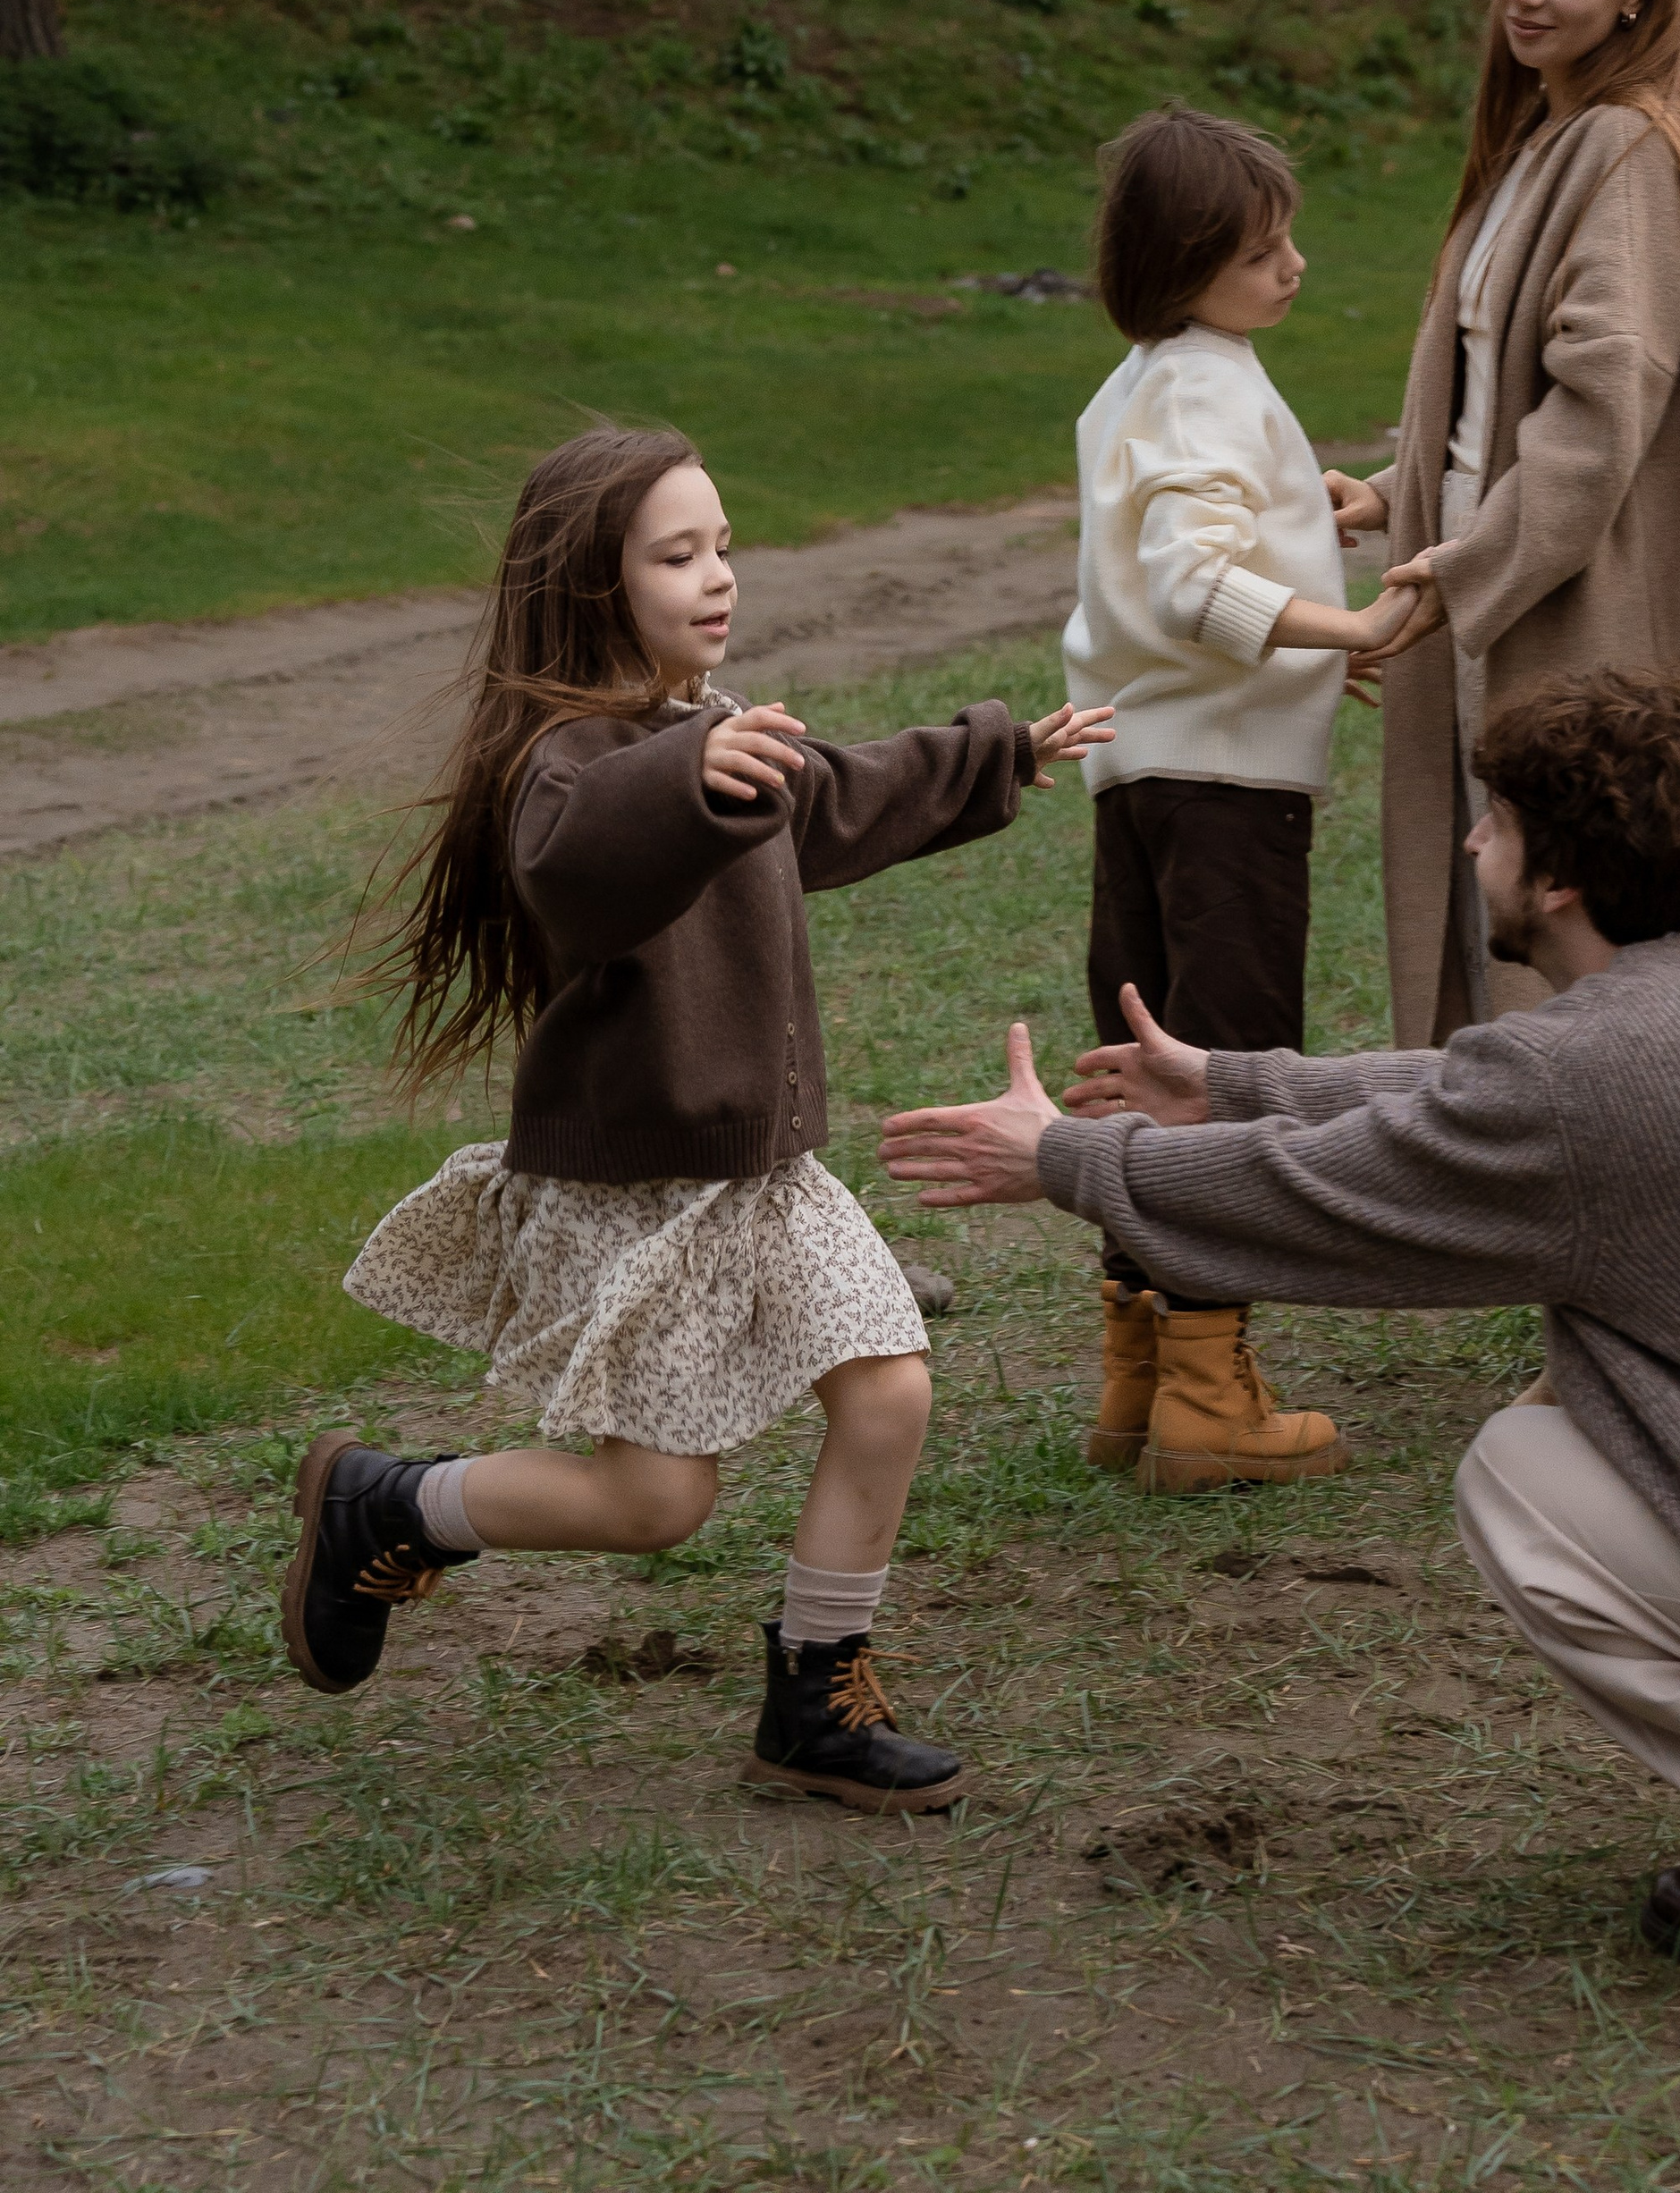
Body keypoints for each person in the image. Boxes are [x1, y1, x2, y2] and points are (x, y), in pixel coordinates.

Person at [878, 668, 1680, 1975]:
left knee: (1525, 1480)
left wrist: (1061, 1161)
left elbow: (1326, 1202)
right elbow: (1470, 1091)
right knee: (1595, 1424)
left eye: (1493, 821)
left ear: (1556, 881)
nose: (1470, 841)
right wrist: (1226, 1085)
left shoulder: (1594, 1078)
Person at [277, 423, 1111, 1817]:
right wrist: (690, 776)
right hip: (646, 1187)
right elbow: (579, 868)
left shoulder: (704, 728)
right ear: (593, 585)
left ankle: (814, 1694)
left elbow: (831, 797)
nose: (718, 576)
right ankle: (388, 1502)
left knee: (891, 1389)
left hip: (768, 1171)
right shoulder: (568, 761)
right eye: (678, 555)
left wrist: (997, 754)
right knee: (655, 1505)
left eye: (723, 545)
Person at [1326, 0, 1680, 1048]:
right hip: (1503, 592)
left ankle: (1571, 1199)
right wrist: (1393, 491)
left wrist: (1456, 565)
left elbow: (1591, 425)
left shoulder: (1627, 152)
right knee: (1501, 915)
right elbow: (1497, 402)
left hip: (1570, 614)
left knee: (1570, 932)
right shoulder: (1545, 135)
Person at [1063, 105, 1422, 1490]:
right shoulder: (1212, 383)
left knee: (1142, 1069)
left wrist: (1316, 650)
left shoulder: (1137, 384)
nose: (1296, 268)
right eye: (1263, 249)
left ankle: (1137, 1369)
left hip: (1143, 775)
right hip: (1228, 797)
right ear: (1187, 261)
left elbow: (1160, 595)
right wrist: (1363, 631)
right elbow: (1197, 587)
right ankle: (1210, 1393)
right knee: (1221, 1072)